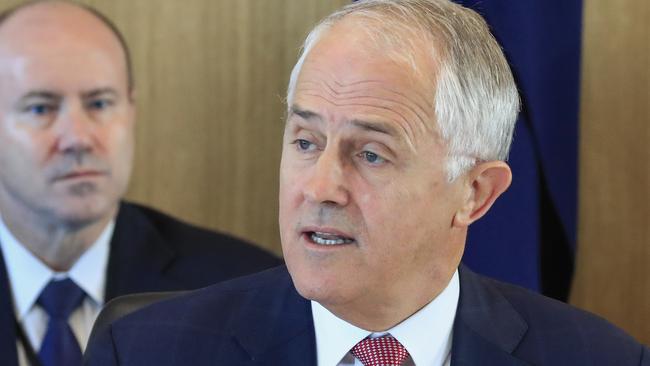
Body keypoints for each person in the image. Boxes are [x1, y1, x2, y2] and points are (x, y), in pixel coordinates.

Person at [84, 0, 649, 365]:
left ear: (475, 193)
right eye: (306, 143)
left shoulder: (600, 359)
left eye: (372, 154)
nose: (321, 187)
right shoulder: (144, 352)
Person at [0, 1, 281, 366]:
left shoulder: (244, 288)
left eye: (99, 103)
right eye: (41, 108)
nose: (78, 138)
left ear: (130, 111)